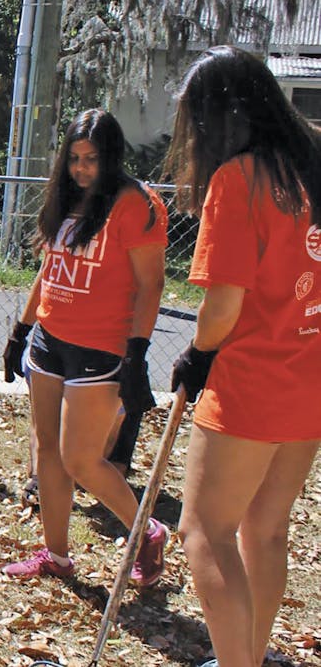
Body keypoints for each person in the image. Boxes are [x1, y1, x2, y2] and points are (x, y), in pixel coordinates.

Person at [164, 46, 321, 667]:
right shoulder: (312, 170)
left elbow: (223, 309)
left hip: (253, 384)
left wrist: (198, 356)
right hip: (309, 381)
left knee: (203, 532)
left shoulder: (241, 180)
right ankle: (246, 658)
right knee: (265, 531)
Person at [0, 109, 169, 587]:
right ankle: (56, 554)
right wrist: (21, 330)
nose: (81, 169)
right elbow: (49, 270)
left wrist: (137, 353)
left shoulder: (135, 202)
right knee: (48, 453)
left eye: (91, 159)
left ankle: (147, 531)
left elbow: (151, 284)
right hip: (51, 342)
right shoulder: (66, 199)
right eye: (73, 159)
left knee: (81, 459)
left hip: (101, 349)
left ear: (111, 156)